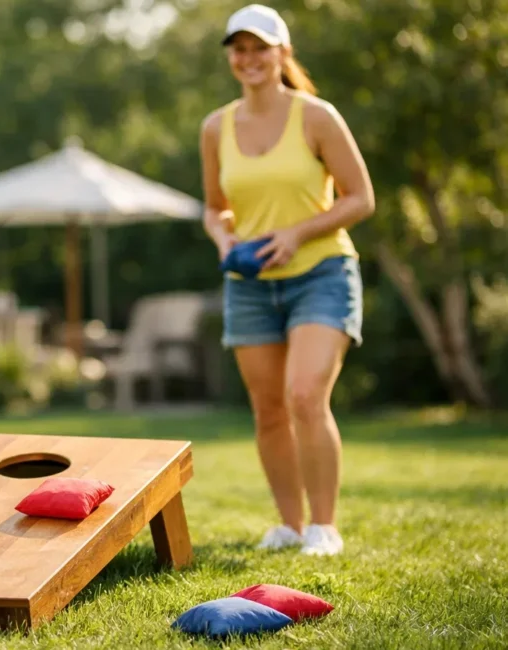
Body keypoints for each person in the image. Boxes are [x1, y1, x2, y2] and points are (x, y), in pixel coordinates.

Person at [198, 4, 375, 556]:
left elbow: (361, 199)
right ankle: (290, 525)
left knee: (304, 395)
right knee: (269, 408)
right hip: (250, 284)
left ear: (283, 53)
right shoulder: (215, 127)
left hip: (321, 273)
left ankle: (324, 527)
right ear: (231, 57)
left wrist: (298, 234)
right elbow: (213, 208)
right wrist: (224, 240)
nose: (249, 58)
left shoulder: (317, 116)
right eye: (240, 49)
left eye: (260, 47)